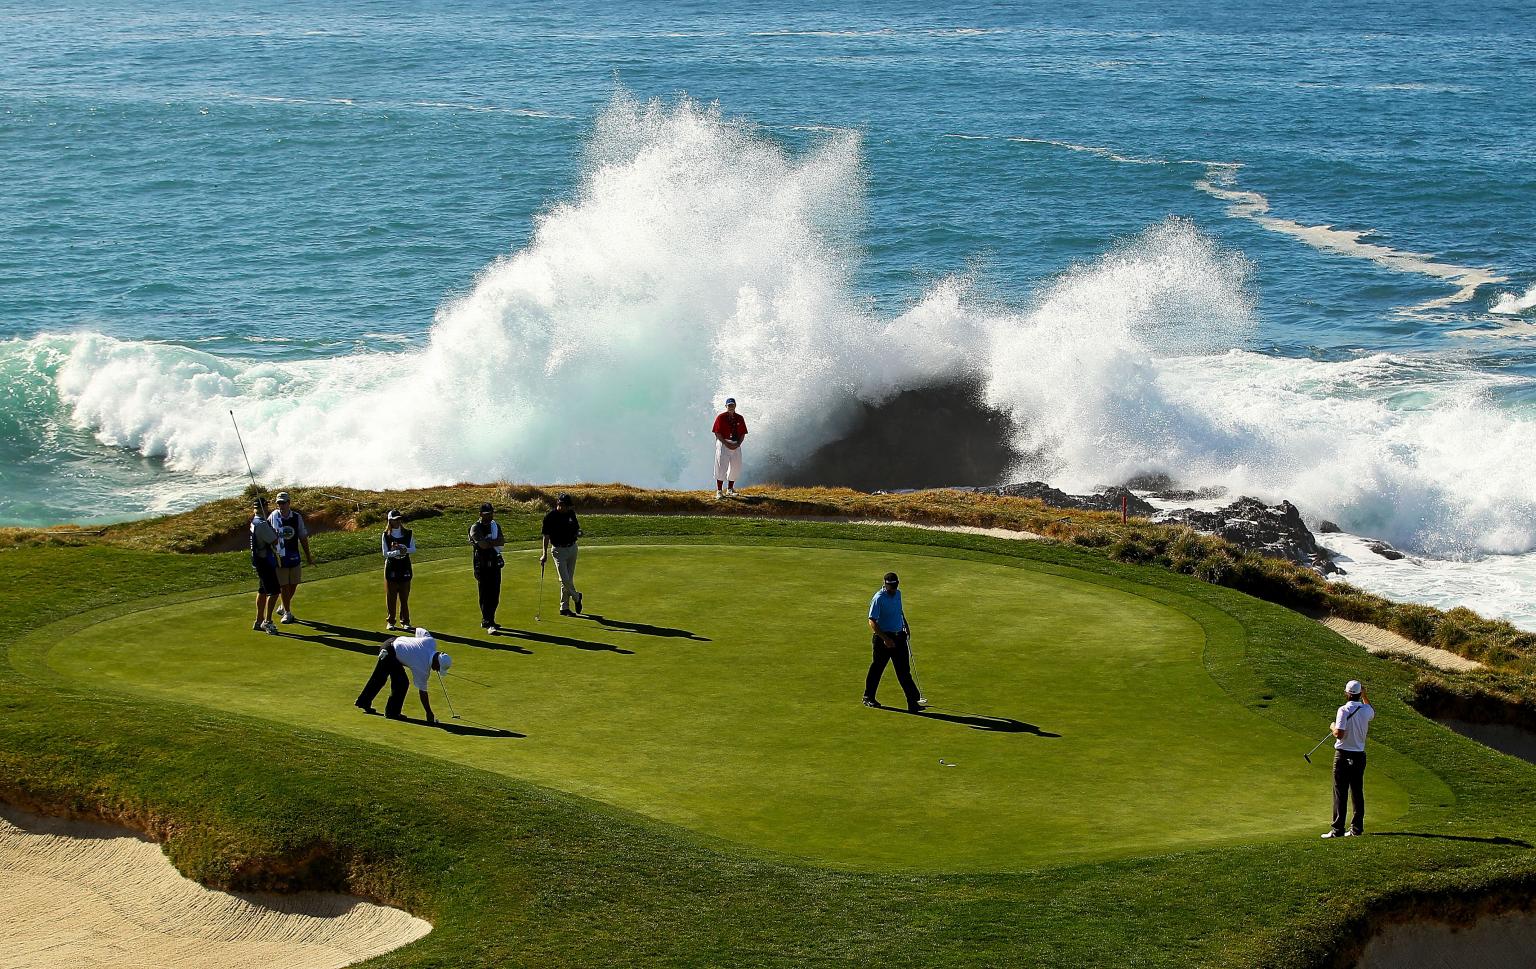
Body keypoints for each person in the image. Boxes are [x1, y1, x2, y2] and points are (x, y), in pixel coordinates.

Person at [353, 626, 451, 723]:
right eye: (438, 668)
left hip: (390, 642)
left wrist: (409, 641)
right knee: (401, 683)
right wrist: (429, 712)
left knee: (380, 677)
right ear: (436, 662)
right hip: (390, 653)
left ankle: (363, 701)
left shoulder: (431, 642)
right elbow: (423, 692)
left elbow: (419, 630)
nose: (437, 671)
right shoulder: (423, 669)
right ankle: (392, 712)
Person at [864, 571, 926, 713]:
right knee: (877, 668)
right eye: (891, 586)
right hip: (883, 640)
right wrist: (885, 639)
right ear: (885, 585)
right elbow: (872, 621)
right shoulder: (878, 598)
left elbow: (899, 611)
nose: (893, 589)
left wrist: (905, 624)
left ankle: (913, 702)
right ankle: (868, 697)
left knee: (904, 671)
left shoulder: (898, 594)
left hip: (899, 637)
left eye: (895, 586)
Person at [1322, 679, 1375, 839]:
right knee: (1357, 792)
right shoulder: (1366, 710)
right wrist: (1365, 695)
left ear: (1347, 694)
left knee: (1340, 792)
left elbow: (1339, 734)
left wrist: (1332, 727)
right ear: (1359, 694)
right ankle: (1356, 829)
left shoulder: (1343, 710)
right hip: (1359, 755)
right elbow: (1370, 709)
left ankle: (1337, 830)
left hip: (1343, 754)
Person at [267, 491, 314, 624]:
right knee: (284, 586)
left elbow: (303, 537)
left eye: (283, 503)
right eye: (279, 503)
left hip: (294, 555)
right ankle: (287, 612)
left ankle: (283, 605)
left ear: (289, 503)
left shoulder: (296, 517)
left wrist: (308, 557)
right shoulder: (273, 517)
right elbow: (267, 535)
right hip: (279, 557)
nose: (281, 505)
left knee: (294, 583)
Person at [541, 492, 584, 616]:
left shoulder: (571, 514)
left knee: (568, 579)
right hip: (558, 551)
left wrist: (578, 533)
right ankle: (577, 597)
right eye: (563, 505)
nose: (566, 508)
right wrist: (544, 554)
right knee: (564, 580)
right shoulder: (550, 517)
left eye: (567, 506)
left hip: (572, 549)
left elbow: (576, 529)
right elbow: (546, 536)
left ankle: (564, 607)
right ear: (559, 504)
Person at [468, 502, 506, 631]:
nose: (490, 516)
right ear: (480, 514)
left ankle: (491, 619)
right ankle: (487, 620)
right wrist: (491, 543)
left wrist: (488, 542)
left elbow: (502, 542)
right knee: (485, 594)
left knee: (495, 593)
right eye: (486, 514)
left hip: (495, 563)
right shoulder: (475, 527)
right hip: (481, 564)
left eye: (491, 513)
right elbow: (482, 545)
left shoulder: (495, 526)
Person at [248, 498, 280, 635]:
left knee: (262, 590)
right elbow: (274, 540)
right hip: (265, 561)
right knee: (274, 591)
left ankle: (258, 620)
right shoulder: (261, 524)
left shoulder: (254, 521)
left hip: (258, 560)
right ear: (264, 507)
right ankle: (267, 622)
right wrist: (273, 531)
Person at [381, 509, 415, 631]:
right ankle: (391, 621)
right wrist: (396, 552)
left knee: (404, 597)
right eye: (395, 520)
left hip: (405, 566)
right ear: (390, 521)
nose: (398, 521)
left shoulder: (408, 533)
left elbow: (413, 549)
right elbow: (385, 553)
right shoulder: (386, 535)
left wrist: (404, 549)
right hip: (391, 567)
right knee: (391, 596)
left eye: (399, 519)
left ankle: (405, 621)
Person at [711, 397, 748, 499]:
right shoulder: (721, 417)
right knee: (721, 466)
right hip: (723, 443)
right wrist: (726, 444)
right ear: (726, 406)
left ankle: (730, 489)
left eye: (732, 405)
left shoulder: (740, 418)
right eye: (729, 405)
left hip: (736, 444)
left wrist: (738, 444)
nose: (731, 407)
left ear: (735, 406)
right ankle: (719, 491)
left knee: (736, 466)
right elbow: (717, 433)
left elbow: (743, 433)